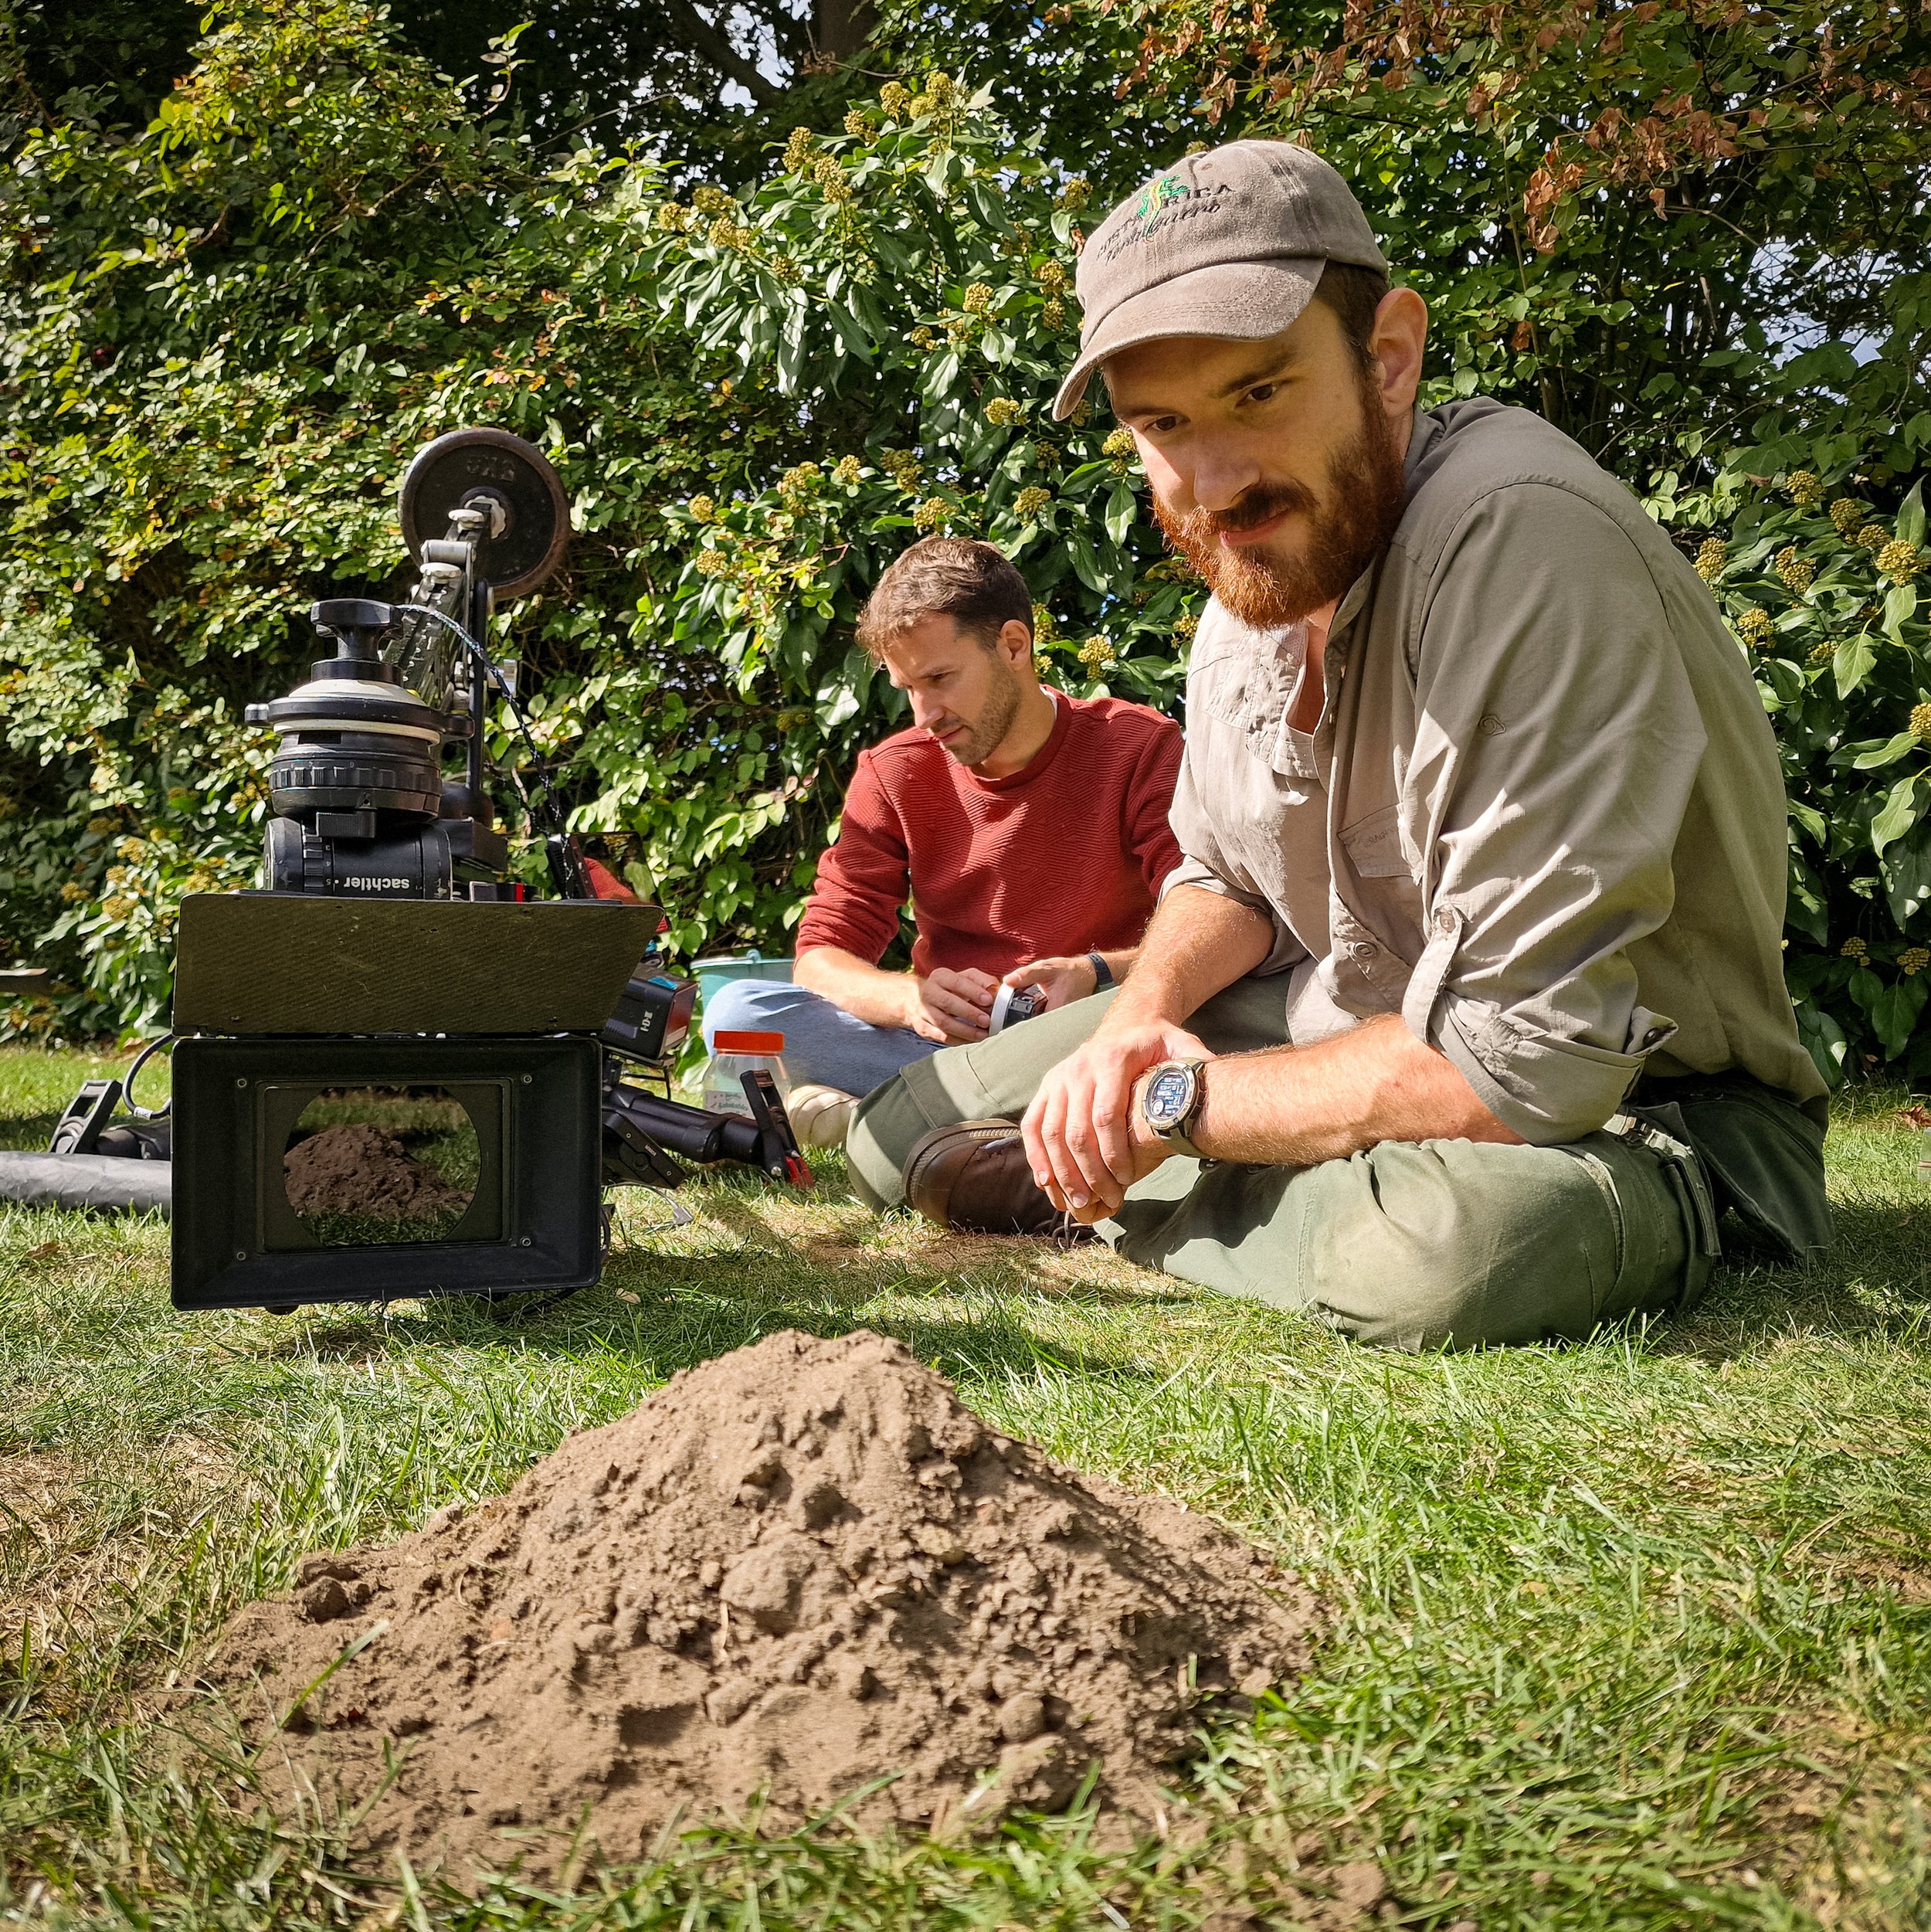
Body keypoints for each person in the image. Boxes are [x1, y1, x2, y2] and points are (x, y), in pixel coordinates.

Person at [844, 140, 1833, 1349]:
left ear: (1390, 359)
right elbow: (1226, 879)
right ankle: (1168, 1179)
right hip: (1334, 1025)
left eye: (1261, 393)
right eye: (1162, 423)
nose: (1215, 482)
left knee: (1436, 1257)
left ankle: (1100, 1196)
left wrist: (1170, 1100)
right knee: (893, 1127)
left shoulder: (1522, 543)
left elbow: (1524, 1064)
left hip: (1644, 1108)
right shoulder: (1243, 591)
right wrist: (1138, 1016)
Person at [701, 537, 1183, 1146]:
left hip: (1095, 1031)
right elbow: (821, 957)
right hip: (944, 1049)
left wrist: (1093, 972)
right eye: (907, 687)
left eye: (939, 678)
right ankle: (969, 1121)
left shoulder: (1139, 748)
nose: (923, 713)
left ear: (1013, 645)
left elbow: (1208, 922)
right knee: (736, 1014)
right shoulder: (895, 772)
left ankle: (899, 1120)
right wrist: (912, 1001)